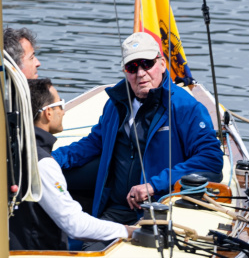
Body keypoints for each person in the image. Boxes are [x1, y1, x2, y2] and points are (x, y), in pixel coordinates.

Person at [52, 32, 224, 248]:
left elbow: (211, 159)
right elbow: (91, 145)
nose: (141, 73)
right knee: (66, 248)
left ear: (162, 64)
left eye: (147, 64)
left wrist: (153, 185)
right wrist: (46, 159)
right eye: (132, 67)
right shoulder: (115, 104)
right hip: (114, 211)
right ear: (126, 72)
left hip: (159, 212)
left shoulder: (185, 107)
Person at [9, 78, 134, 250]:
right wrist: (127, 231)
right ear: (48, 113)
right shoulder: (43, 164)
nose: (64, 111)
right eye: (60, 104)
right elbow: (75, 225)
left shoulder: (13, 150)